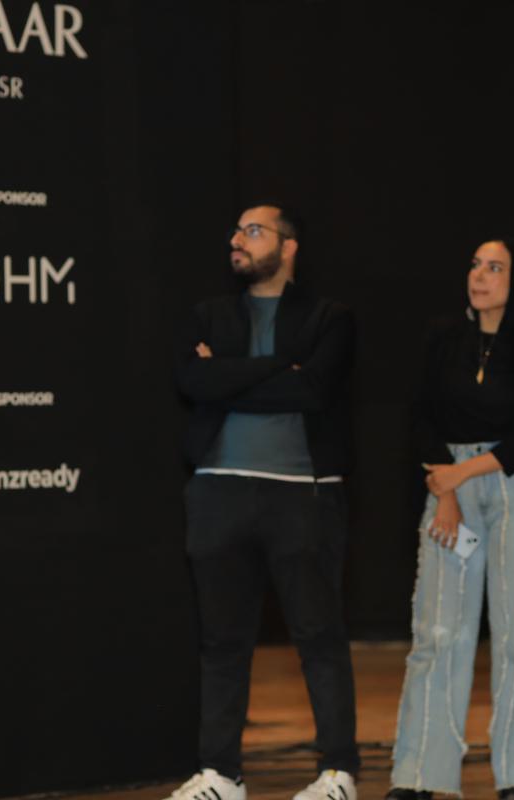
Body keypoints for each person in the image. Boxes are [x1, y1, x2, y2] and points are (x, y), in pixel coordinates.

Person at [169, 204, 360, 800]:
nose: (237, 240)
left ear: (289, 245)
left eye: (253, 231)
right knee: (222, 641)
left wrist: (231, 374)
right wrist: (279, 367)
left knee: (318, 635)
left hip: (300, 497)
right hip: (217, 490)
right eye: (235, 231)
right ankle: (221, 775)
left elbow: (313, 389)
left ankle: (338, 772)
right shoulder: (209, 314)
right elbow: (194, 384)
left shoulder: (330, 317)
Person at [386, 239, 514, 800]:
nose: (479, 275)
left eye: (495, 267)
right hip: (448, 488)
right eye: (475, 265)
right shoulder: (443, 337)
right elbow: (418, 414)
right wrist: (447, 486)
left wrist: (467, 474)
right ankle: (418, 775)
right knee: (438, 633)